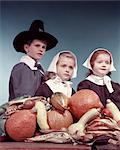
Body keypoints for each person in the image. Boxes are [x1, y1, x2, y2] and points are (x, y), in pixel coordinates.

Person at [9, 20, 58, 101]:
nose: (41, 49)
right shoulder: (21, 68)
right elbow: (23, 98)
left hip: (37, 108)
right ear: (26, 48)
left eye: (43, 47)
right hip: (21, 110)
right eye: (37, 45)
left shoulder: (40, 70)